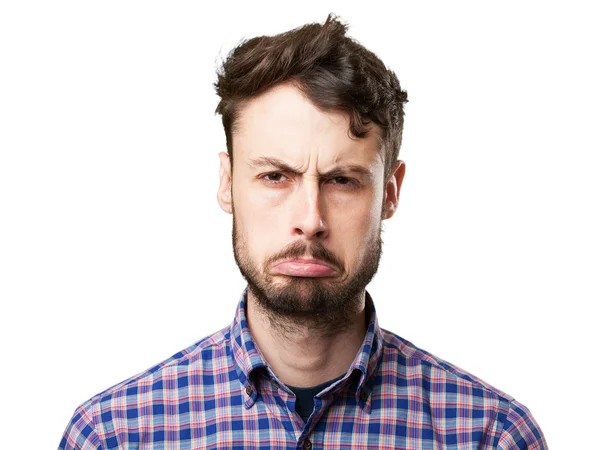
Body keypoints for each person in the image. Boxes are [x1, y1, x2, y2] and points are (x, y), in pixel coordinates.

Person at [59, 14, 547, 449]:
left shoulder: (492, 435)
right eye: (275, 176)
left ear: (390, 193)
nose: (310, 219)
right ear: (228, 185)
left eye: (341, 181)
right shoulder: (113, 435)